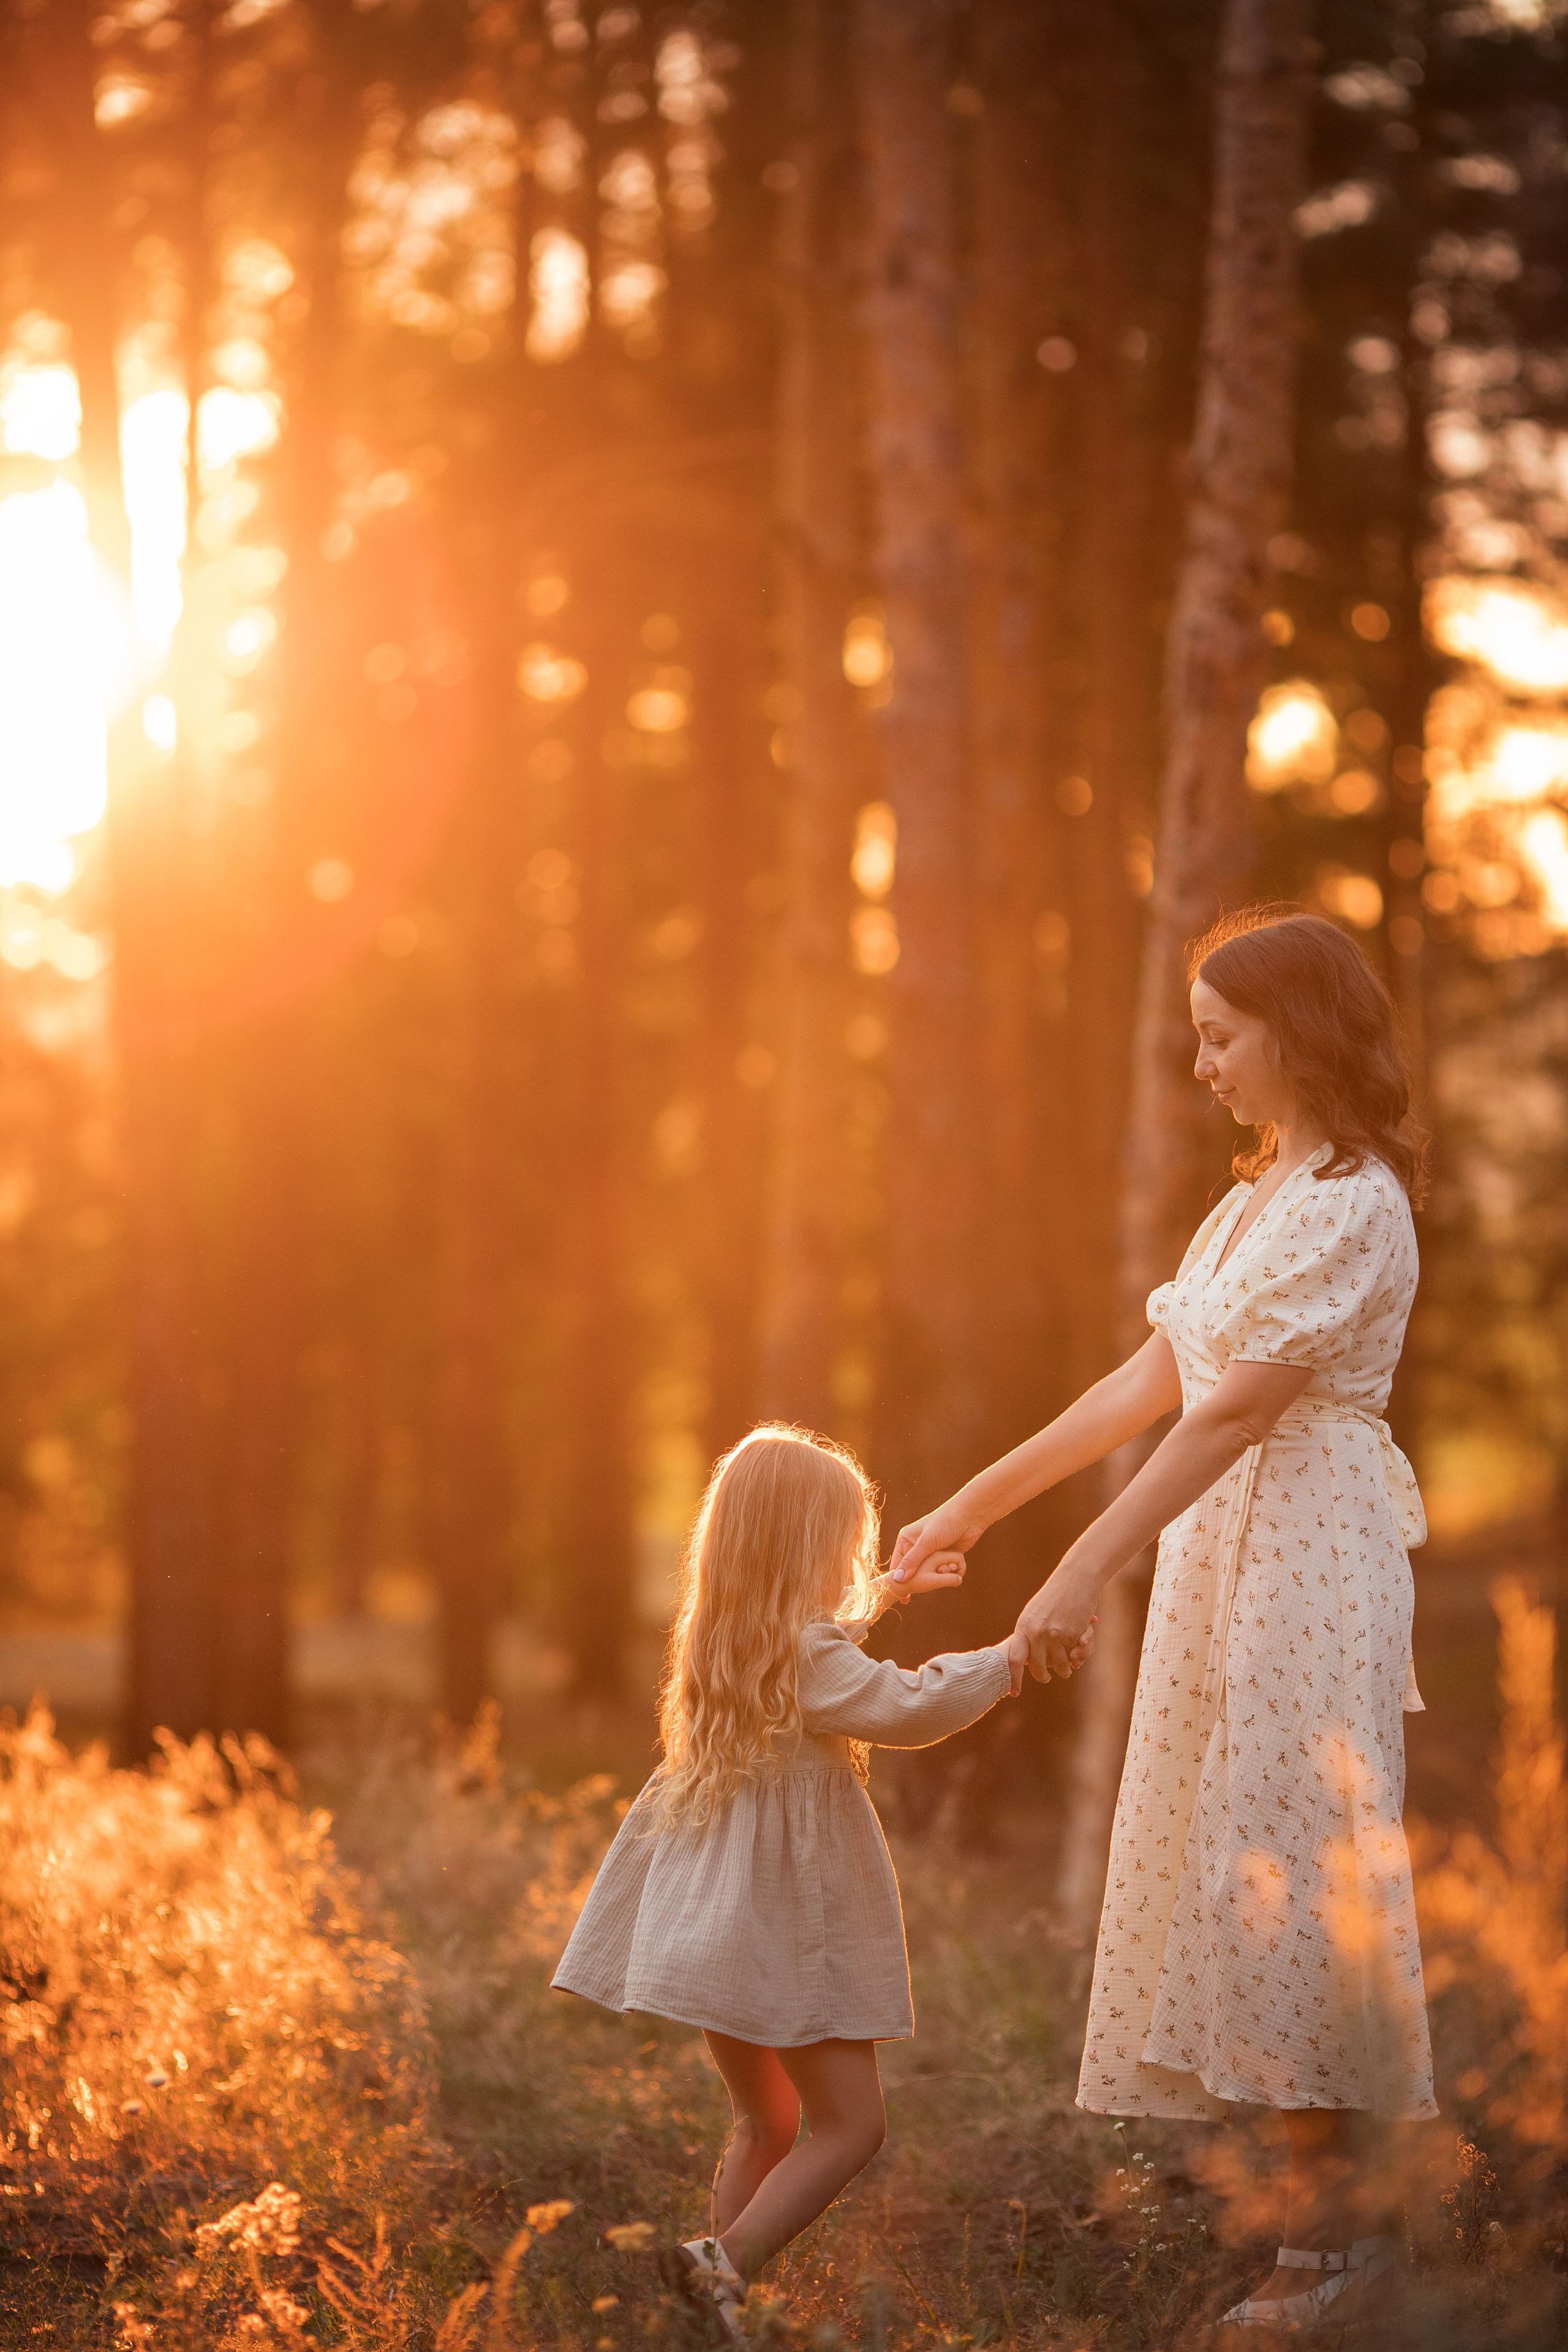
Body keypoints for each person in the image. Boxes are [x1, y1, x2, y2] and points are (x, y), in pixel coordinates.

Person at [890, 908, 1436, 2330]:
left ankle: (1339, 2261)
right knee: (1229, 1875)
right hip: (1221, 1557)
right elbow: (1146, 1387)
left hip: (1306, 1559)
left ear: (1293, 1032)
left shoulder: (1351, 1200)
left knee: (1289, 1879)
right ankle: (1308, 2241)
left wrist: (1082, 1574)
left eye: (1217, 1037)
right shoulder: (1249, 1199)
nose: (1198, 1066)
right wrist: (969, 1510)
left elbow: (1239, 1414)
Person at [552, 1424, 1076, 2339]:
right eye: (845, 1545)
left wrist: (890, 1591)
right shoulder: (810, 1659)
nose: (853, 1559)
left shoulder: (724, 1642)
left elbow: (819, 1642)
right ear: (808, 1548)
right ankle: (726, 2263)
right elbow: (904, 1707)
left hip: (720, 1928)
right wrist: (1007, 1662)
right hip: (786, 1929)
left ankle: (717, 2313)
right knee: (850, 2128)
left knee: (765, 2124)